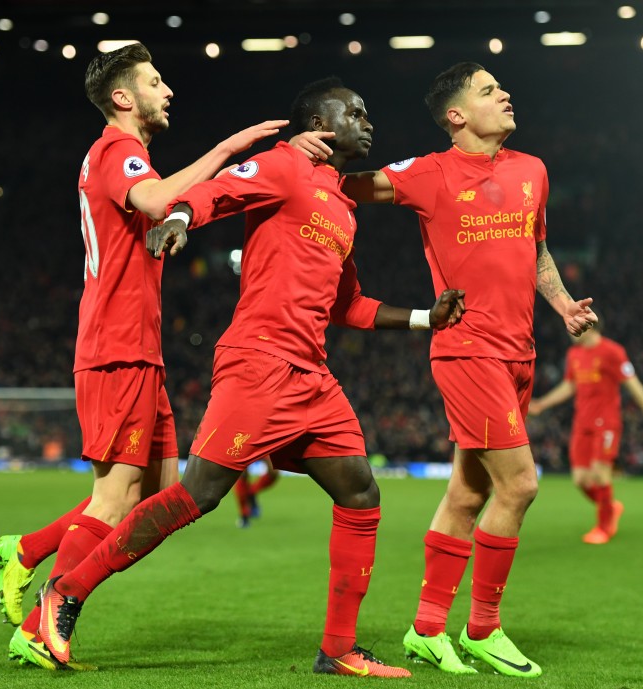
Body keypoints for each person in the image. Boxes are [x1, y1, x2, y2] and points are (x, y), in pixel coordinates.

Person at [32, 76, 466, 678]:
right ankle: (67, 592)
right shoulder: (285, 165)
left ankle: (338, 649)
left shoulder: (342, 206)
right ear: (319, 122)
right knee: (195, 496)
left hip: (312, 377)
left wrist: (425, 318)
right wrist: (181, 216)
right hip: (258, 363)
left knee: (361, 495)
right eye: (356, 112)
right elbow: (217, 194)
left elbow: (350, 306)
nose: (369, 121)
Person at [0, 42, 290, 670]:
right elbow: (153, 201)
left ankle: (27, 551)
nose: (168, 90)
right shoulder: (118, 152)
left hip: (136, 349)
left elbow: (153, 212)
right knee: (112, 499)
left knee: (158, 487)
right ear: (124, 98)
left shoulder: (128, 158)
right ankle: (44, 625)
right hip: (115, 347)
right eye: (155, 81)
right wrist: (229, 150)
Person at [298, 62, 598, 676]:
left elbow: (535, 248)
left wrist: (564, 304)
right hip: (467, 349)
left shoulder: (531, 171)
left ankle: (428, 629)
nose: (506, 94)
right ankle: (483, 629)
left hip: (521, 352)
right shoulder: (429, 173)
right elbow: (347, 185)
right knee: (520, 486)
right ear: (456, 116)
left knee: (469, 493)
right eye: (489, 91)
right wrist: (303, 154)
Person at [528, 318, 643, 543]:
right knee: (580, 479)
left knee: (600, 475)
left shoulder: (613, 352)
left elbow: (633, 383)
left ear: (589, 326)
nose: (570, 331)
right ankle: (610, 507)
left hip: (607, 423)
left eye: (574, 326)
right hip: (582, 423)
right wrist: (542, 404)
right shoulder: (574, 354)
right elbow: (569, 385)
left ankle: (604, 527)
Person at [234, 457, 280, 528]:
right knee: (243, 474)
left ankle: (251, 492)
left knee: (273, 472)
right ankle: (244, 515)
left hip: (262, 446)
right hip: (245, 447)